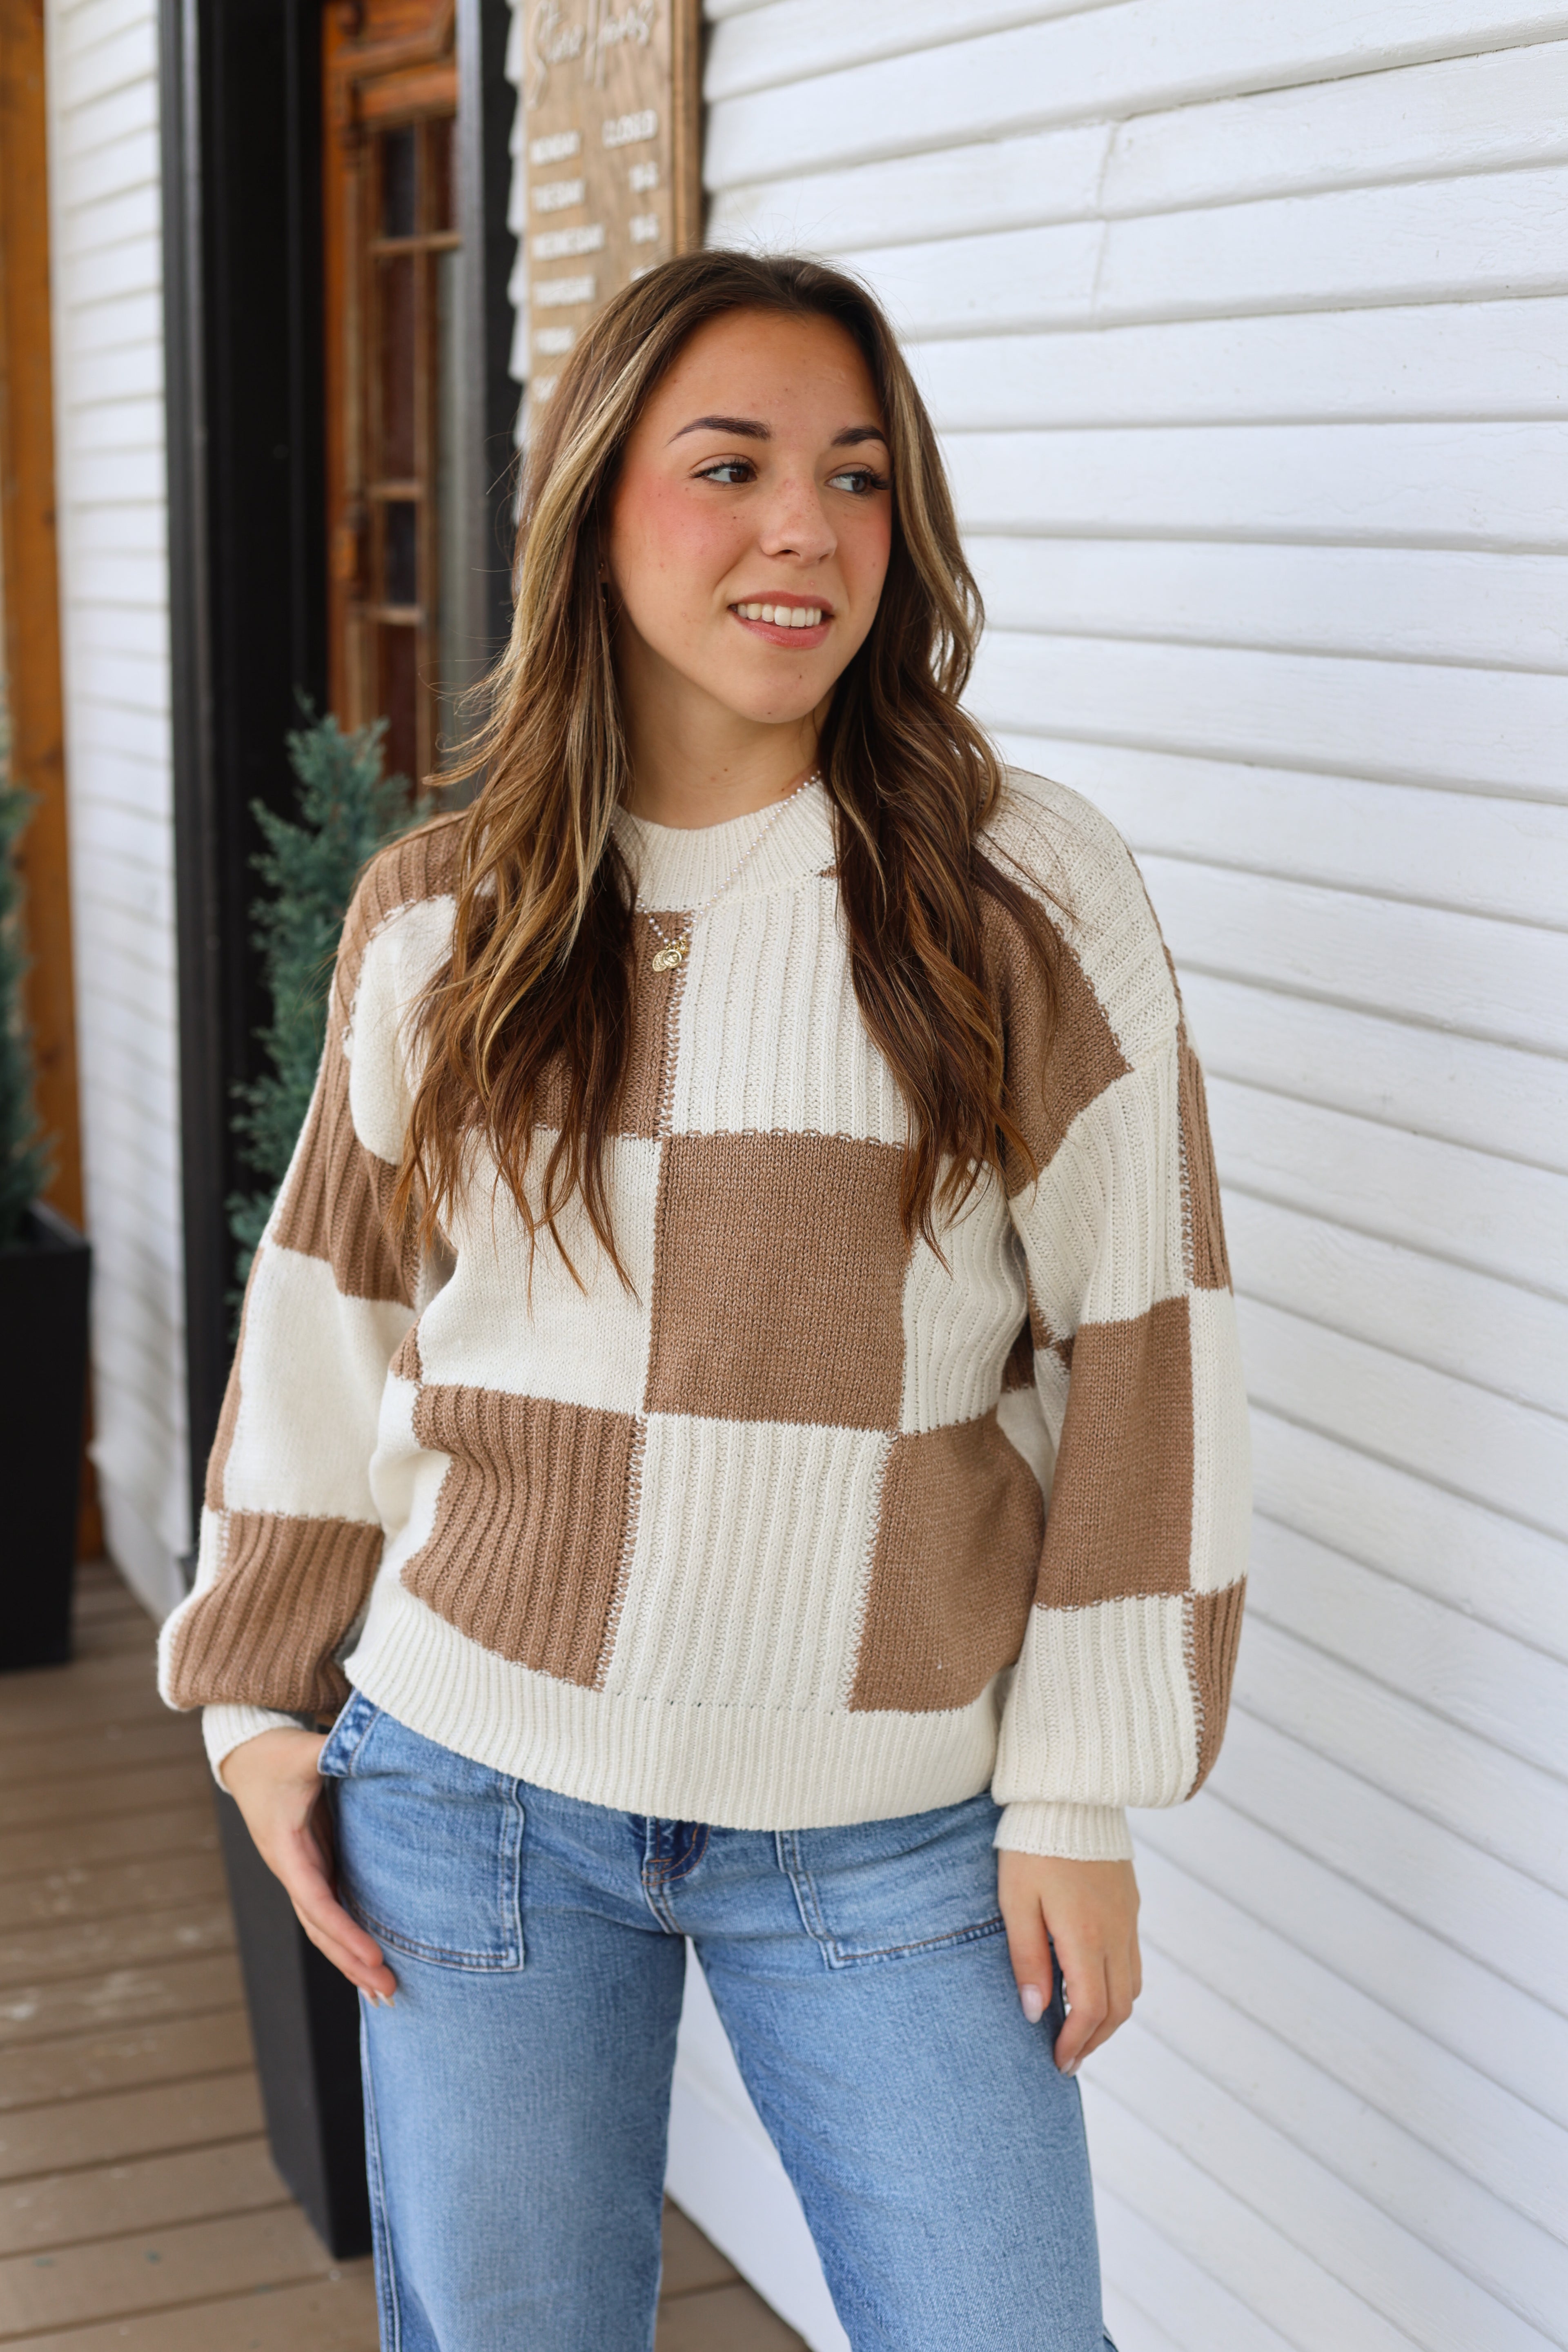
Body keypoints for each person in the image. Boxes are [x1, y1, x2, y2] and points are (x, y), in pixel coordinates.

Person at [159, 249, 1250, 2352]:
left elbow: (1151, 1348)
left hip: (889, 1817)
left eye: (857, 476)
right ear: (596, 510)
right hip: (470, 1789)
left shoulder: (1017, 892)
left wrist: (1079, 1793)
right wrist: (254, 1712)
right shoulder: (441, 915)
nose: (804, 531)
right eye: (730, 466)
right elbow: (329, 1314)